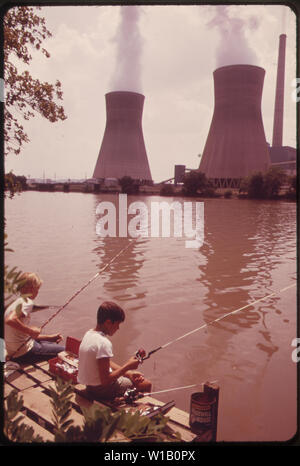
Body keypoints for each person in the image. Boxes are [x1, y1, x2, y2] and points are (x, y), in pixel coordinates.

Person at [78, 301, 152, 400]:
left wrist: (128, 373)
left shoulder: (89, 334)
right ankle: (143, 410)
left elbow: (105, 363)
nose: (118, 328)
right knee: (146, 384)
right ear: (108, 322)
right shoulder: (104, 343)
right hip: (101, 391)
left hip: (89, 386)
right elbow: (105, 381)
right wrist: (127, 367)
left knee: (130, 378)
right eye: (117, 324)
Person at [4, 272, 65, 364]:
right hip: (24, 353)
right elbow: (10, 320)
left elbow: (23, 336)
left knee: (51, 344)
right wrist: (31, 331)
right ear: (32, 288)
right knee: (65, 351)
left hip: (14, 351)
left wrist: (49, 337)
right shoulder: (27, 302)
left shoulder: (16, 303)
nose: (37, 292)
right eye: (38, 289)